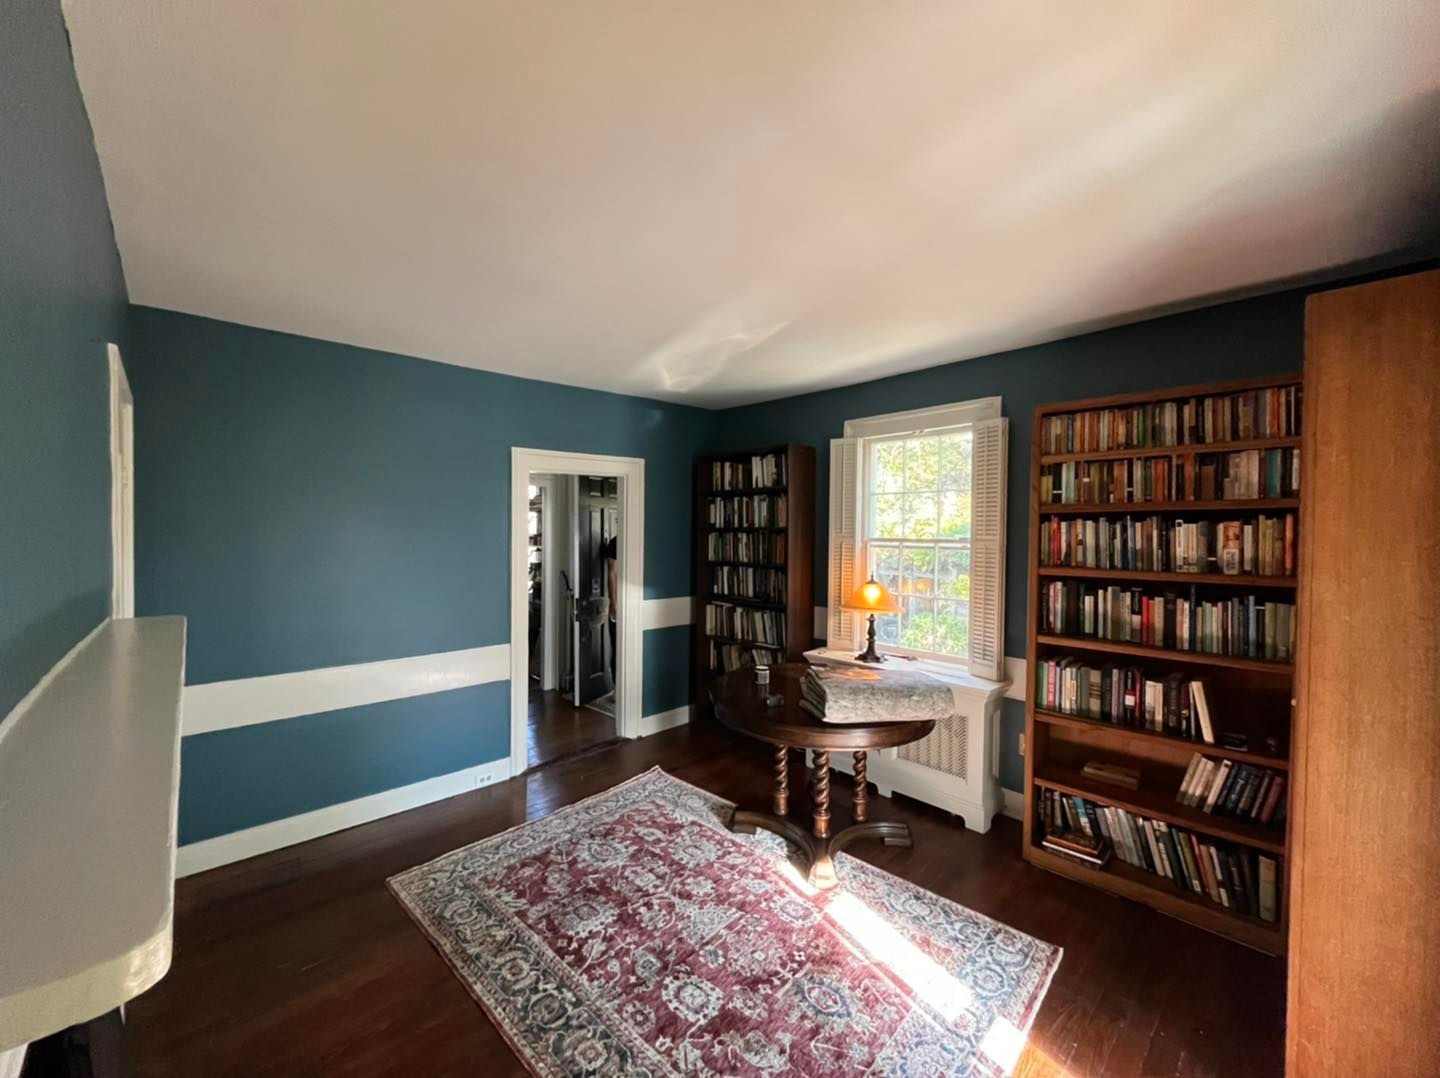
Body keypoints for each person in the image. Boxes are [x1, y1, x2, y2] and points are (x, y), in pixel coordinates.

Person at [603, 531, 619, 685]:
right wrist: (613, 602)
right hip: (618, 605)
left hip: (634, 603)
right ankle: (617, 689)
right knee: (617, 648)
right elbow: (612, 573)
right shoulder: (615, 542)